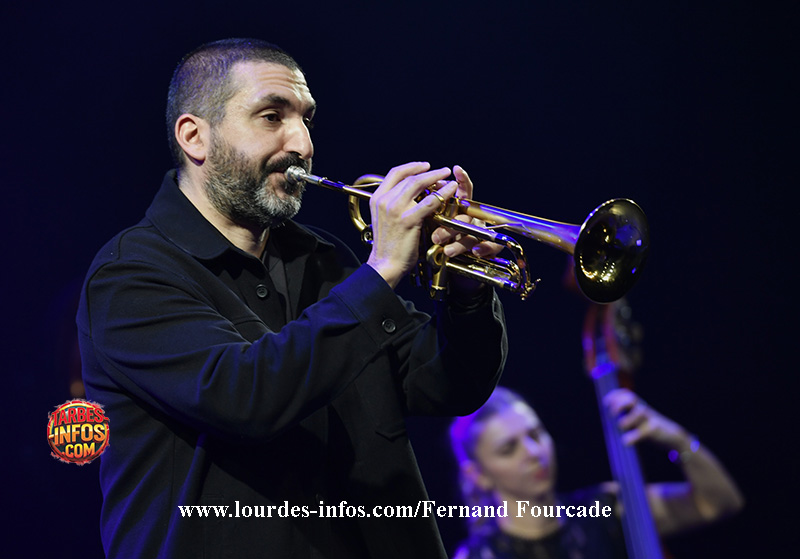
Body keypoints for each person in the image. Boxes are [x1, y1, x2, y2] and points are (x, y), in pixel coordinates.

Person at [77, 38, 508, 559]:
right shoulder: (130, 274)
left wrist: (466, 293)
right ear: (195, 136)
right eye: (272, 117)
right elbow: (245, 397)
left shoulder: (322, 259)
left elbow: (447, 386)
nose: (302, 142)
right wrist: (382, 270)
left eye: (306, 119)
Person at [449, 386, 744, 559]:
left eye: (536, 434)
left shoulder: (607, 509)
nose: (534, 453)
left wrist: (676, 438)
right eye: (508, 449)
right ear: (478, 474)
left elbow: (717, 502)